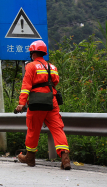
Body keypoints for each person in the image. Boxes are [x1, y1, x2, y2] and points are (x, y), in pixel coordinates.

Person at [16, 40, 70, 170]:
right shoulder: (52, 67)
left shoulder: (31, 66)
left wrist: (21, 103)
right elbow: (55, 82)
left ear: (33, 53)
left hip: (36, 102)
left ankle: (30, 158)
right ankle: (65, 158)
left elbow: (26, 87)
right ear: (43, 53)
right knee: (57, 128)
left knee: (33, 129)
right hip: (51, 101)